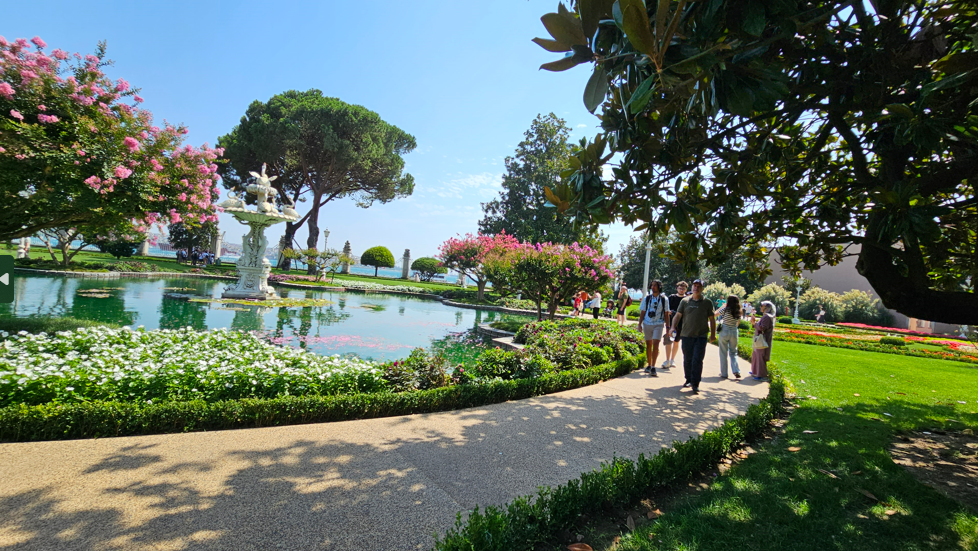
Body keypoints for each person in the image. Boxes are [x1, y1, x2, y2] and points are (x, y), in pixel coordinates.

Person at [669, 279, 716, 394]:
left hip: (701, 336)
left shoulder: (707, 302)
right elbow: (678, 315)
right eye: (695, 286)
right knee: (688, 359)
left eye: (699, 286)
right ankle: (688, 379)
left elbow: (712, 319)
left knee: (697, 359)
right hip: (686, 335)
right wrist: (672, 327)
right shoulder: (685, 301)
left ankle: (695, 383)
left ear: (702, 288)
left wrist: (713, 334)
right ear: (692, 287)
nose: (696, 288)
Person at [638, 280, 670, 376]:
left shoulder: (664, 299)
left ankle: (653, 366)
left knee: (656, 344)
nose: (653, 287)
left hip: (658, 323)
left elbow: (666, 313)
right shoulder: (647, 298)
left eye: (655, 285)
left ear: (659, 287)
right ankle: (648, 364)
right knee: (649, 344)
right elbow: (643, 311)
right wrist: (639, 324)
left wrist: (668, 327)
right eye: (652, 285)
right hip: (647, 323)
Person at [714, 295, 742, 379]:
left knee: (723, 352)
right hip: (734, 331)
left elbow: (715, 314)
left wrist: (721, 307)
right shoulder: (739, 310)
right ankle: (736, 370)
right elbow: (738, 322)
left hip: (725, 330)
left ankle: (724, 373)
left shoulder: (726, 309)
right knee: (733, 352)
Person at [662, 281, 689, 369]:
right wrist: (669, 312)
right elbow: (666, 308)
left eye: (683, 289)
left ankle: (672, 359)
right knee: (668, 340)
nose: (681, 290)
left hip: (681, 323)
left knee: (676, 341)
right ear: (677, 288)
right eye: (680, 288)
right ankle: (667, 359)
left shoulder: (687, 299)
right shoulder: (672, 297)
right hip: (670, 322)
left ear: (686, 289)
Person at [750, 301, 776, 379]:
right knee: (756, 355)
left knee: (760, 356)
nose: (760, 307)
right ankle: (755, 371)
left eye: (761, 306)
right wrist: (754, 323)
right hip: (760, 339)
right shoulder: (766, 316)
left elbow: (762, 328)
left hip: (762, 339)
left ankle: (761, 375)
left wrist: (754, 323)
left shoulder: (767, 317)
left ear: (766, 307)